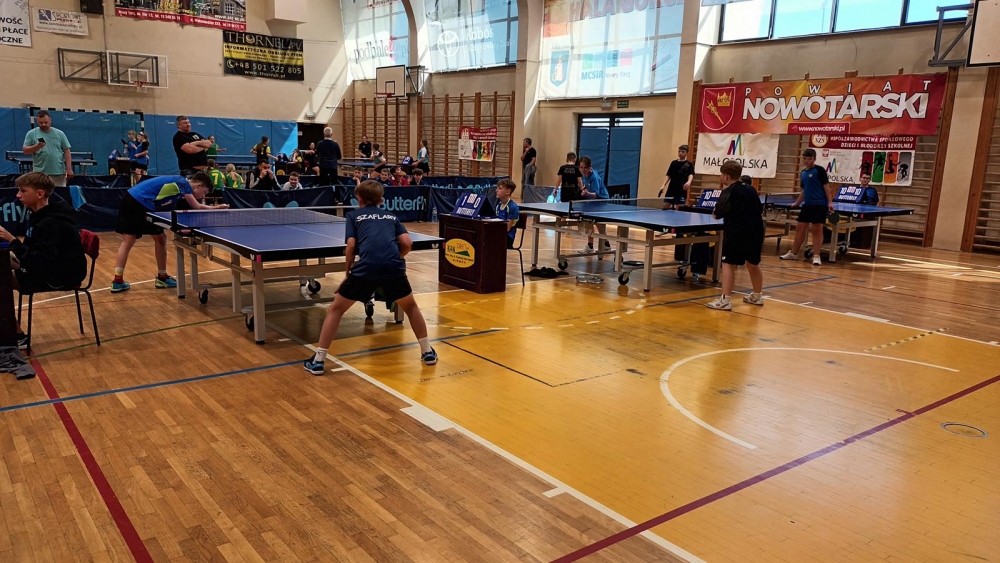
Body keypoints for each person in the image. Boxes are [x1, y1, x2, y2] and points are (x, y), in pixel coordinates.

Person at [302, 180, 438, 375]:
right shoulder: (391, 217)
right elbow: (407, 243)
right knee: (410, 307)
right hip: (393, 269)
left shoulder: (353, 216)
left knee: (336, 310)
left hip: (365, 269)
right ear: (381, 200)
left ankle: (318, 361)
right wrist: (395, 259)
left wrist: (348, 274)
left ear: (358, 198)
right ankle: (427, 352)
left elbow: (350, 246)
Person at [0, 173, 86, 349]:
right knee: (2, 262)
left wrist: (12, 241)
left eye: (23, 191)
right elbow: (33, 254)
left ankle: (16, 336)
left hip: (59, 275)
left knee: (1, 280)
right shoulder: (37, 215)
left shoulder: (53, 223)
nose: (18, 195)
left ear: (39, 194)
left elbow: (39, 262)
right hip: (46, 266)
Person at [111, 173, 227, 293]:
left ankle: (117, 281)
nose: (203, 196)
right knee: (160, 239)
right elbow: (196, 206)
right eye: (204, 192)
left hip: (129, 198)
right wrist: (217, 207)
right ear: (198, 185)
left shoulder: (178, 183)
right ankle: (162, 277)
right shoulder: (184, 184)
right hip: (142, 202)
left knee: (128, 241)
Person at [706, 161, 765, 311]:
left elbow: (716, 215)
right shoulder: (751, 189)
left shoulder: (728, 192)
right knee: (752, 263)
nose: (721, 177)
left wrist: (716, 211)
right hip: (756, 231)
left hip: (737, 232)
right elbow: (759, 209)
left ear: (726, 176)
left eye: (721, 175)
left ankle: (725, 300)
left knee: (728, 264)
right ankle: (757, 296)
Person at [780, 148, 833, 266]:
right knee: (800, 228)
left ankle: (816, 256)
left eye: (809, 159)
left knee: (816, 230)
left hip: (819, 204)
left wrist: (830, 202)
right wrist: (797, 203)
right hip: (807, 205)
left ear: (814, 159)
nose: (807, 161)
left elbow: (826, 187)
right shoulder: (803, 173)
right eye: (805, 158)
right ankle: (794, 253)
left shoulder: (819, 170)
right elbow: (804, 190)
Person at [22, 110, 73, 187]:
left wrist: (69, 168)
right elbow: (25, 151)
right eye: (41, 122)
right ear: (37, 121)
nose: (43, 124)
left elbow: (67, 151)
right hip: (39, 173)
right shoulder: (31, 133)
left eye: (46, 122)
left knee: (59, 193)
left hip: (58, 173)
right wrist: (37, 146)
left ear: (50, 120)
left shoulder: (60, 134)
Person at [579, 156, 610, 252]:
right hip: (594, 201)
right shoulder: (586, 175)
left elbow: (596, 194)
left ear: (590, 167)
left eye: (585, 167)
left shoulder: (594, 177)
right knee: (594, 222)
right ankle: (606, 244)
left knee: (591, 221)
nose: (583, 170)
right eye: (581, 167)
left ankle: (590, 246)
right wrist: (584, 189)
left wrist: (587, 193)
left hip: (601, 201)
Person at [494, 178, 520, 249]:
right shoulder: (498, 205)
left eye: (500, 188)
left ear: (507, 192)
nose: (496, 190)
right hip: (499, 234)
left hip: (508, 237)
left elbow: (507, 228)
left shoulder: (512, 207)